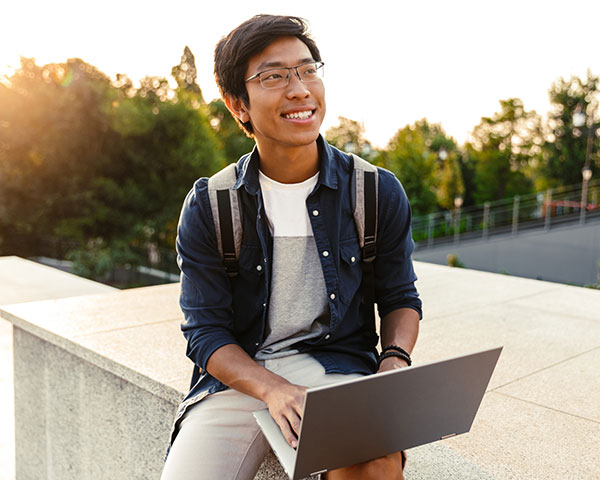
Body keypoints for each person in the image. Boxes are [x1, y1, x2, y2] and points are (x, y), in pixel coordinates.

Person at [161, 14, 422, 480]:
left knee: (376, 465)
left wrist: (395, 362)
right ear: (237, 103)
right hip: (240, 380)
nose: (299, 89)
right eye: (274, 76)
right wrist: (273, 388)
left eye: (308, 69)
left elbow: (400, 298)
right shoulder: (211, 205)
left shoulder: (376, 191)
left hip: (337, 369)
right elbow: (205, 334)